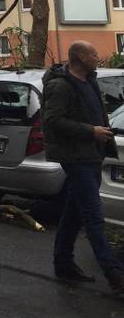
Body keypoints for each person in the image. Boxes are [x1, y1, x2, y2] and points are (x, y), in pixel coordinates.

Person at [44, 41, 124, 292]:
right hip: (75, 157)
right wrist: (91, 131)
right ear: (79, 57)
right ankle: (114, 274)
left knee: (74, 211)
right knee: (93, 213)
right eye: (93, 54)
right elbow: (53, 120)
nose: (97, 57)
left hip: (93, 155)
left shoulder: (90, 80)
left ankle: (63, 263)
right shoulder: (60, 86)